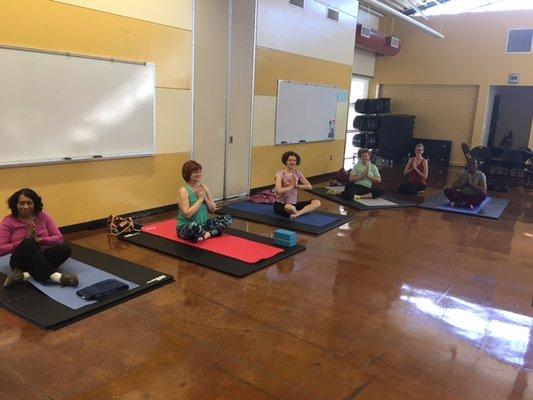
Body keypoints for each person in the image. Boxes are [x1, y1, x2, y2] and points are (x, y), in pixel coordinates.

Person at [0, 188, 77, 288]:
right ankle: (57, 277)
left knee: (65, 249)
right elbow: (1, 249)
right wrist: (22, 241)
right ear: (15, 205)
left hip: (42, 256)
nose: (25, 207)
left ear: (35, 203)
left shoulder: (43, 216)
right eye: (21, 203)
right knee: (28, 242)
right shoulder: (8, 221)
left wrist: (40, 240)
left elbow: (59, 238)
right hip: (20, 261)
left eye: (29, 203)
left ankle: (23, 275)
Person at [177, 160, 232, 242]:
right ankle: (210, 233)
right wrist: (200, 199)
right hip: (187, 226)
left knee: (228, 218)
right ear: (188, 174)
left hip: (204, 225)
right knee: (194, 226)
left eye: (200, 172)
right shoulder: (183, 191)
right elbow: (187, 214)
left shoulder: (204, 187)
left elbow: (213, 209)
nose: (199, 174)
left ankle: (205, 235)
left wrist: (205, 198)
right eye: (195, 172)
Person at [274, 151, 321, 219]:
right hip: (282, 205)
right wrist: (291, 186)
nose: (292, 162)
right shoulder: (280, 174)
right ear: (286, 161)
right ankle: (297, 211)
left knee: (317, 202)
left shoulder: (298, 173)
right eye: (290, 160)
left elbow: (309, 187)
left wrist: (296, 186)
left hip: (294, 203)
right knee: (289, 207)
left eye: (294, 160)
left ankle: (297, 214)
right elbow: (279, 190)